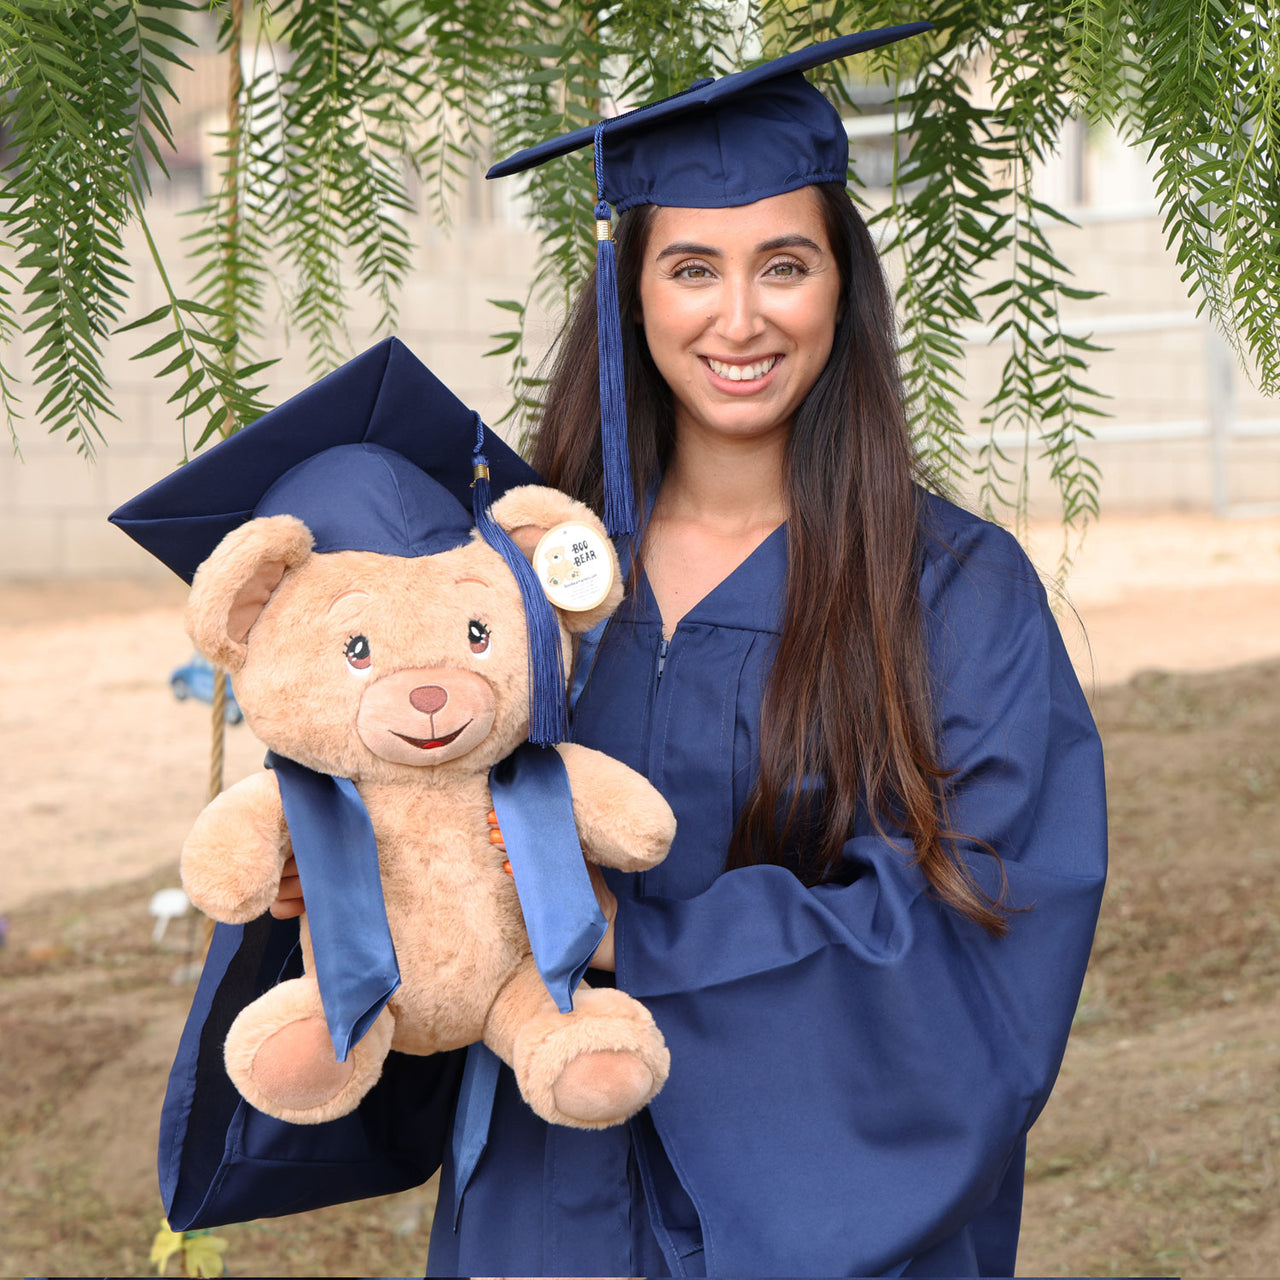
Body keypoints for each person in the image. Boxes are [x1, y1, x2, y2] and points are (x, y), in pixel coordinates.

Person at [125, 22, 1107, 1278]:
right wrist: (347, 880)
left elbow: (980, 933)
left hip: (815, 1225)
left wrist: (608, 936)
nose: (739, 316)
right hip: (546, 1203)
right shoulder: (519, 581)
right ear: (629, 288)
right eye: (691, 267)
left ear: (841, 286)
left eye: (785, 265)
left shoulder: (954, 593)